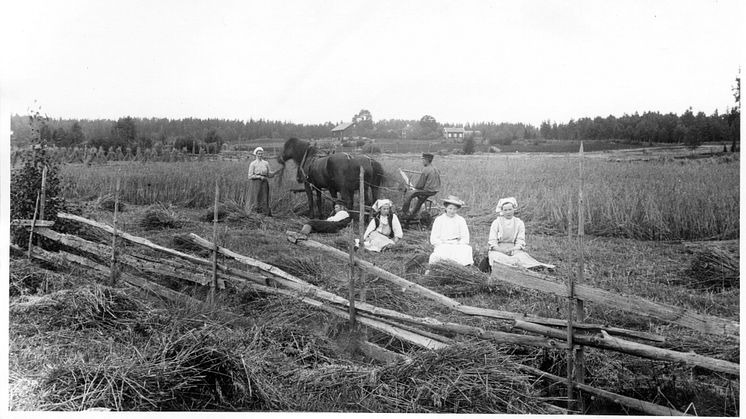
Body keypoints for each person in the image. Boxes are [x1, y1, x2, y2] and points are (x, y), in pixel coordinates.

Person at [488, 197, 555, 270]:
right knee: (497, 258)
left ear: (514, 209)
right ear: (502, 211)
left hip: (514, 249)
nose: (508, 212)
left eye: (510, 209)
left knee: (522, 258)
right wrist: (501, 250)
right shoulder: (496, 222)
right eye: (505, 210)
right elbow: (492, 241)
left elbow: (520, 240)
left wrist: (513, 249)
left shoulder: (519, 223)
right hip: (499, 250)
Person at [428, 195, 474, 266]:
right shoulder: (439, 220)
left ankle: (461, 268)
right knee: (442, 252)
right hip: (443, 244)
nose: (452, 211)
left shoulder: (460, 220)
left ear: (457, 209)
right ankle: (444, 267)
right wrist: (442, 242)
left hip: (457, 244)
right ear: (446, 208)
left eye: (454, 209)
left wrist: (459, 243)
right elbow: (434, 237)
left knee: (467, 249)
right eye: (450, 208)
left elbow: (465, 236)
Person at [401, 153, 441, 218]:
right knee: (421, 199)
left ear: (426, 160)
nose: (422, 161)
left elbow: (420, 184)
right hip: (435, 190)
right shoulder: (435, 168)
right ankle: (413, 213)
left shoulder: (426, 169)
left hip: (428, 190)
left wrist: (414, 188)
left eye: (423, 160)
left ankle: (404, 213)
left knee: (409, 194)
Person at [247, 147, 281, 215]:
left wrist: (275, 173)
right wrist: (259, 177)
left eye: (261, 154)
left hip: (264, 183)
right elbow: (250, 176)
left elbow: (269, 174)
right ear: (256, 154)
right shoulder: (253, 164)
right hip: (255, 183)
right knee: (255, 197)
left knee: (264, 197)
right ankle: (254, 213)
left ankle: (263, 213)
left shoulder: (266, 163)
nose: (260, 155)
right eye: (259, 154)